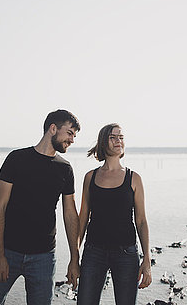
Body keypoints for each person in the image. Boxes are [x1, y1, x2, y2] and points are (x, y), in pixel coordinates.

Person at [0, 110, 81, 305]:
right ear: (53, 128)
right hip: (8, 251)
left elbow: (70, 215)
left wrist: (74, 259)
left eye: (74, 136)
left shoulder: (65, 169)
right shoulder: (16, 159)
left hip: (44, 257)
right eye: (69, 133)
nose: (72, 140)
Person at [77, 123, 152, 305]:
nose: (119, 140)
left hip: (126, 254)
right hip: (93, 252)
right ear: (104, 142)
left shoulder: (134, 178)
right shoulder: (90, 177)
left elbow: (141, 221)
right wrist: (74, 256)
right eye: (113, 137)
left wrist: (147, 261)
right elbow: (83, 218)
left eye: (121, 137)